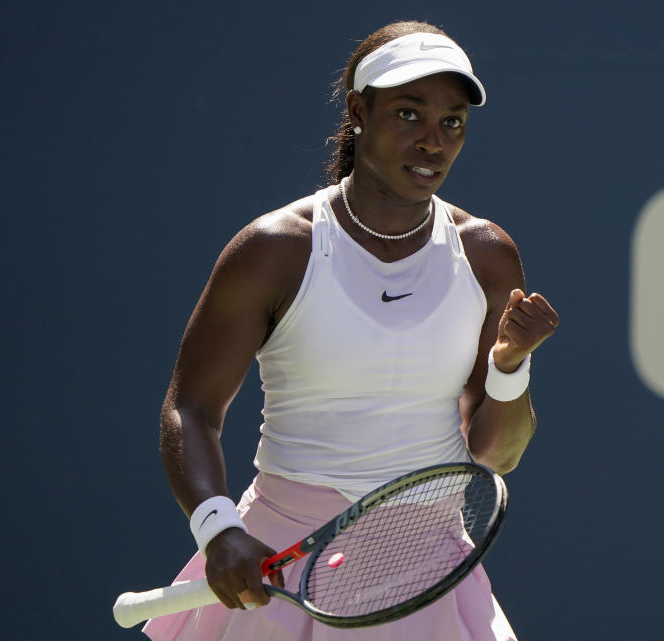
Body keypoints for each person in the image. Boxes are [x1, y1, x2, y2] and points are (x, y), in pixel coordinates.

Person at [143, 20, 559, 641]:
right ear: (359, 111)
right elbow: (192, 408)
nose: (433, 142)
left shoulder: (487, 255)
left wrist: (509, 364)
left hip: (428, 573)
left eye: (451, 122)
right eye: (409, 114)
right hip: (279, 567)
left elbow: (494, 455)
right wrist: (219, 527)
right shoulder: (276, 250)